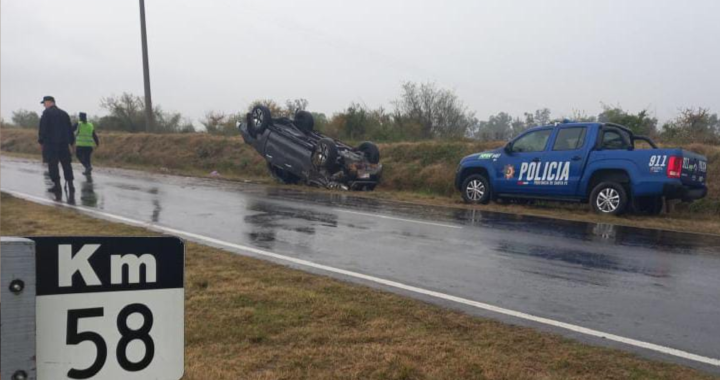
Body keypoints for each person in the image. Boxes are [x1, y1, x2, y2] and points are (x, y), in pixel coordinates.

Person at [38, 95, 75, 192]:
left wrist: (41, 142)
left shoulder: (46, 113)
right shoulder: (64, 114)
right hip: (64, 144)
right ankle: (70, 185)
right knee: (66, 164)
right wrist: (71, 143)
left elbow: (43, 129)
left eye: (44, 103)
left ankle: (57, 186)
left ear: (50, 102)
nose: (44, 105)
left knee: (53, 165)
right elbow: (70, 130)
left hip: (51, 144)